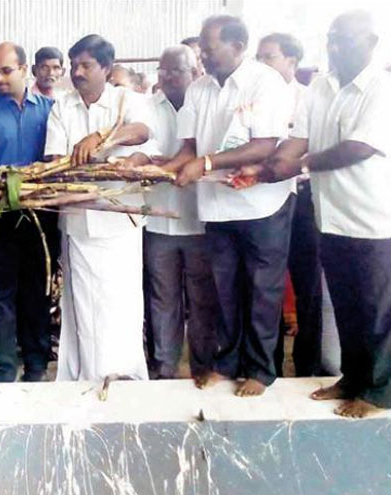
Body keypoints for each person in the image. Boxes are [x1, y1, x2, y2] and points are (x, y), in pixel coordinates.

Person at [243, 10, 391, 418]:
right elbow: (297, 139)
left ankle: (379, 392)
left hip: (374, 219)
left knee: (377, 310)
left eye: (345, 39)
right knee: (345, 304)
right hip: (331, 216)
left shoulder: (382, 88)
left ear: (372, 43)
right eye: (332, 39)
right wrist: (267, 168)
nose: (336, 47)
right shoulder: (320, 87)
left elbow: (358, 147)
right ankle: (353, 377)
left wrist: (301, 164)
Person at [162, 15, 293, 397]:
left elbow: (265, 144)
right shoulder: (200, 88)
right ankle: (227, 362)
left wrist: (205, 164)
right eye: (201, 46)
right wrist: (157, 169)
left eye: (209, 46)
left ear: (238, 46)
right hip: (217, 206)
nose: (202, 53)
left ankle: (262, 370)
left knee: (261, 290)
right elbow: (188, 146)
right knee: (225, 291)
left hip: (261, 206)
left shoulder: (265, 82)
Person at [44, 34, 154, 382]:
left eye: (86, 65)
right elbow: (53, 158)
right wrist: (80, 166)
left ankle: (124, 373)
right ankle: (89, 375)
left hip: (120, 223)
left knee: (119, 303)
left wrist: (101, 139)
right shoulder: (63, 105)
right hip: (78, 223)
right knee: (85, 307)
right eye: (74, 65)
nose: (78, 72)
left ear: (106, 68)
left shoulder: (127, 100)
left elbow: (141, 132)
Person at [123, 46, 219, 379]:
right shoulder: (147, 108)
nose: (166, 77)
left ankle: (203, 367)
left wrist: (165, 163)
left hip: (201, 220)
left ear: (195, 72)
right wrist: (153, 162)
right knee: (162, 300)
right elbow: (143, 153)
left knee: (202, 301)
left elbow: (204, 156)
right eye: (162, 71)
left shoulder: (206, 105)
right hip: (160, 220)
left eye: (175, 70)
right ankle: (164, 368)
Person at [0, 42, 55, 383]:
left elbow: (55, 160)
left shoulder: (49, 109)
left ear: (24, 70)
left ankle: (35, 367)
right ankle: (2, 373)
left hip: (41, 217)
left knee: (37, 292)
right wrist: (28, 175)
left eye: (6, 70)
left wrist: (27, 178)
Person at [257, 32, 324, 378]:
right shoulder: (252, 97)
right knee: (266, 283)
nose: (262, 64)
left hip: (304, 197)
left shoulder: (310, 99)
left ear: (292, 62)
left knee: (307, 281)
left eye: (269, 57)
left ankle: (309, 364)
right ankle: (267, 364)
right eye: (259, 57)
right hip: (262, 200)